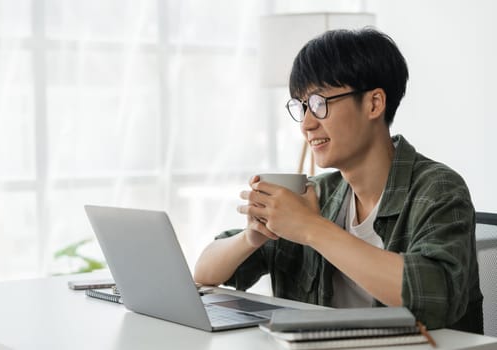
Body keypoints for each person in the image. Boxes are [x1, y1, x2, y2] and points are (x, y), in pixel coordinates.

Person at [193, 28, 483, 333]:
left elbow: (434, 298)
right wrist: (251, 237)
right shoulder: (318, 193)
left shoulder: (438, 189)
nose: (306, 123)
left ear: (374, 104)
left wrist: (311, 228)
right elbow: (205, 272)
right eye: (302, 106)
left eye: (320, 103)